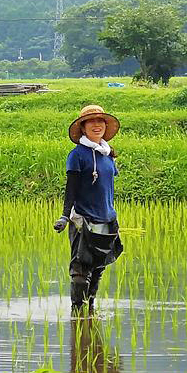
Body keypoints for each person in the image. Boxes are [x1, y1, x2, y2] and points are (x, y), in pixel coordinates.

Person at [54, 104, 123, 316]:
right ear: (83, 128)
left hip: (106, 219)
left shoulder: (107, 153)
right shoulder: (77, 155)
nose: (96, 125)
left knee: (98, 268)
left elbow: (106, 186)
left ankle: (89, 313)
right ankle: (77, 315)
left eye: (100, 121)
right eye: (91, 122)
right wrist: (65, 216)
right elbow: (71, 188)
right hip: (83, 220)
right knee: (81, 270)